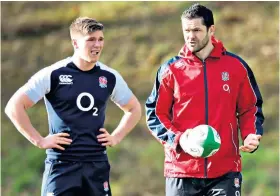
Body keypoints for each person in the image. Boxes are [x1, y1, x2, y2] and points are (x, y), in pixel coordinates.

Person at [5, 17, 141, 196]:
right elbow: (14, 106)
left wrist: (116, 137)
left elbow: (134, 109)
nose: (97, 45)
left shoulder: (109, 76)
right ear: (75, 43)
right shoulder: (53, 74)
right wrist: (39, 140)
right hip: (62, 164)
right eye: (91, 39)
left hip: (96, 164)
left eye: (100, 39)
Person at [145, 3, 264, 196]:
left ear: (211, 30)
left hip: (225, 171)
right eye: (187, 30)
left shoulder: (236, 67)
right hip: (181, 171)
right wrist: (179, 139)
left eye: (197, 30)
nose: (191, 36)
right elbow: (155, 114)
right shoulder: (171, 70)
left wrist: (251, 133)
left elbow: (250, 107)